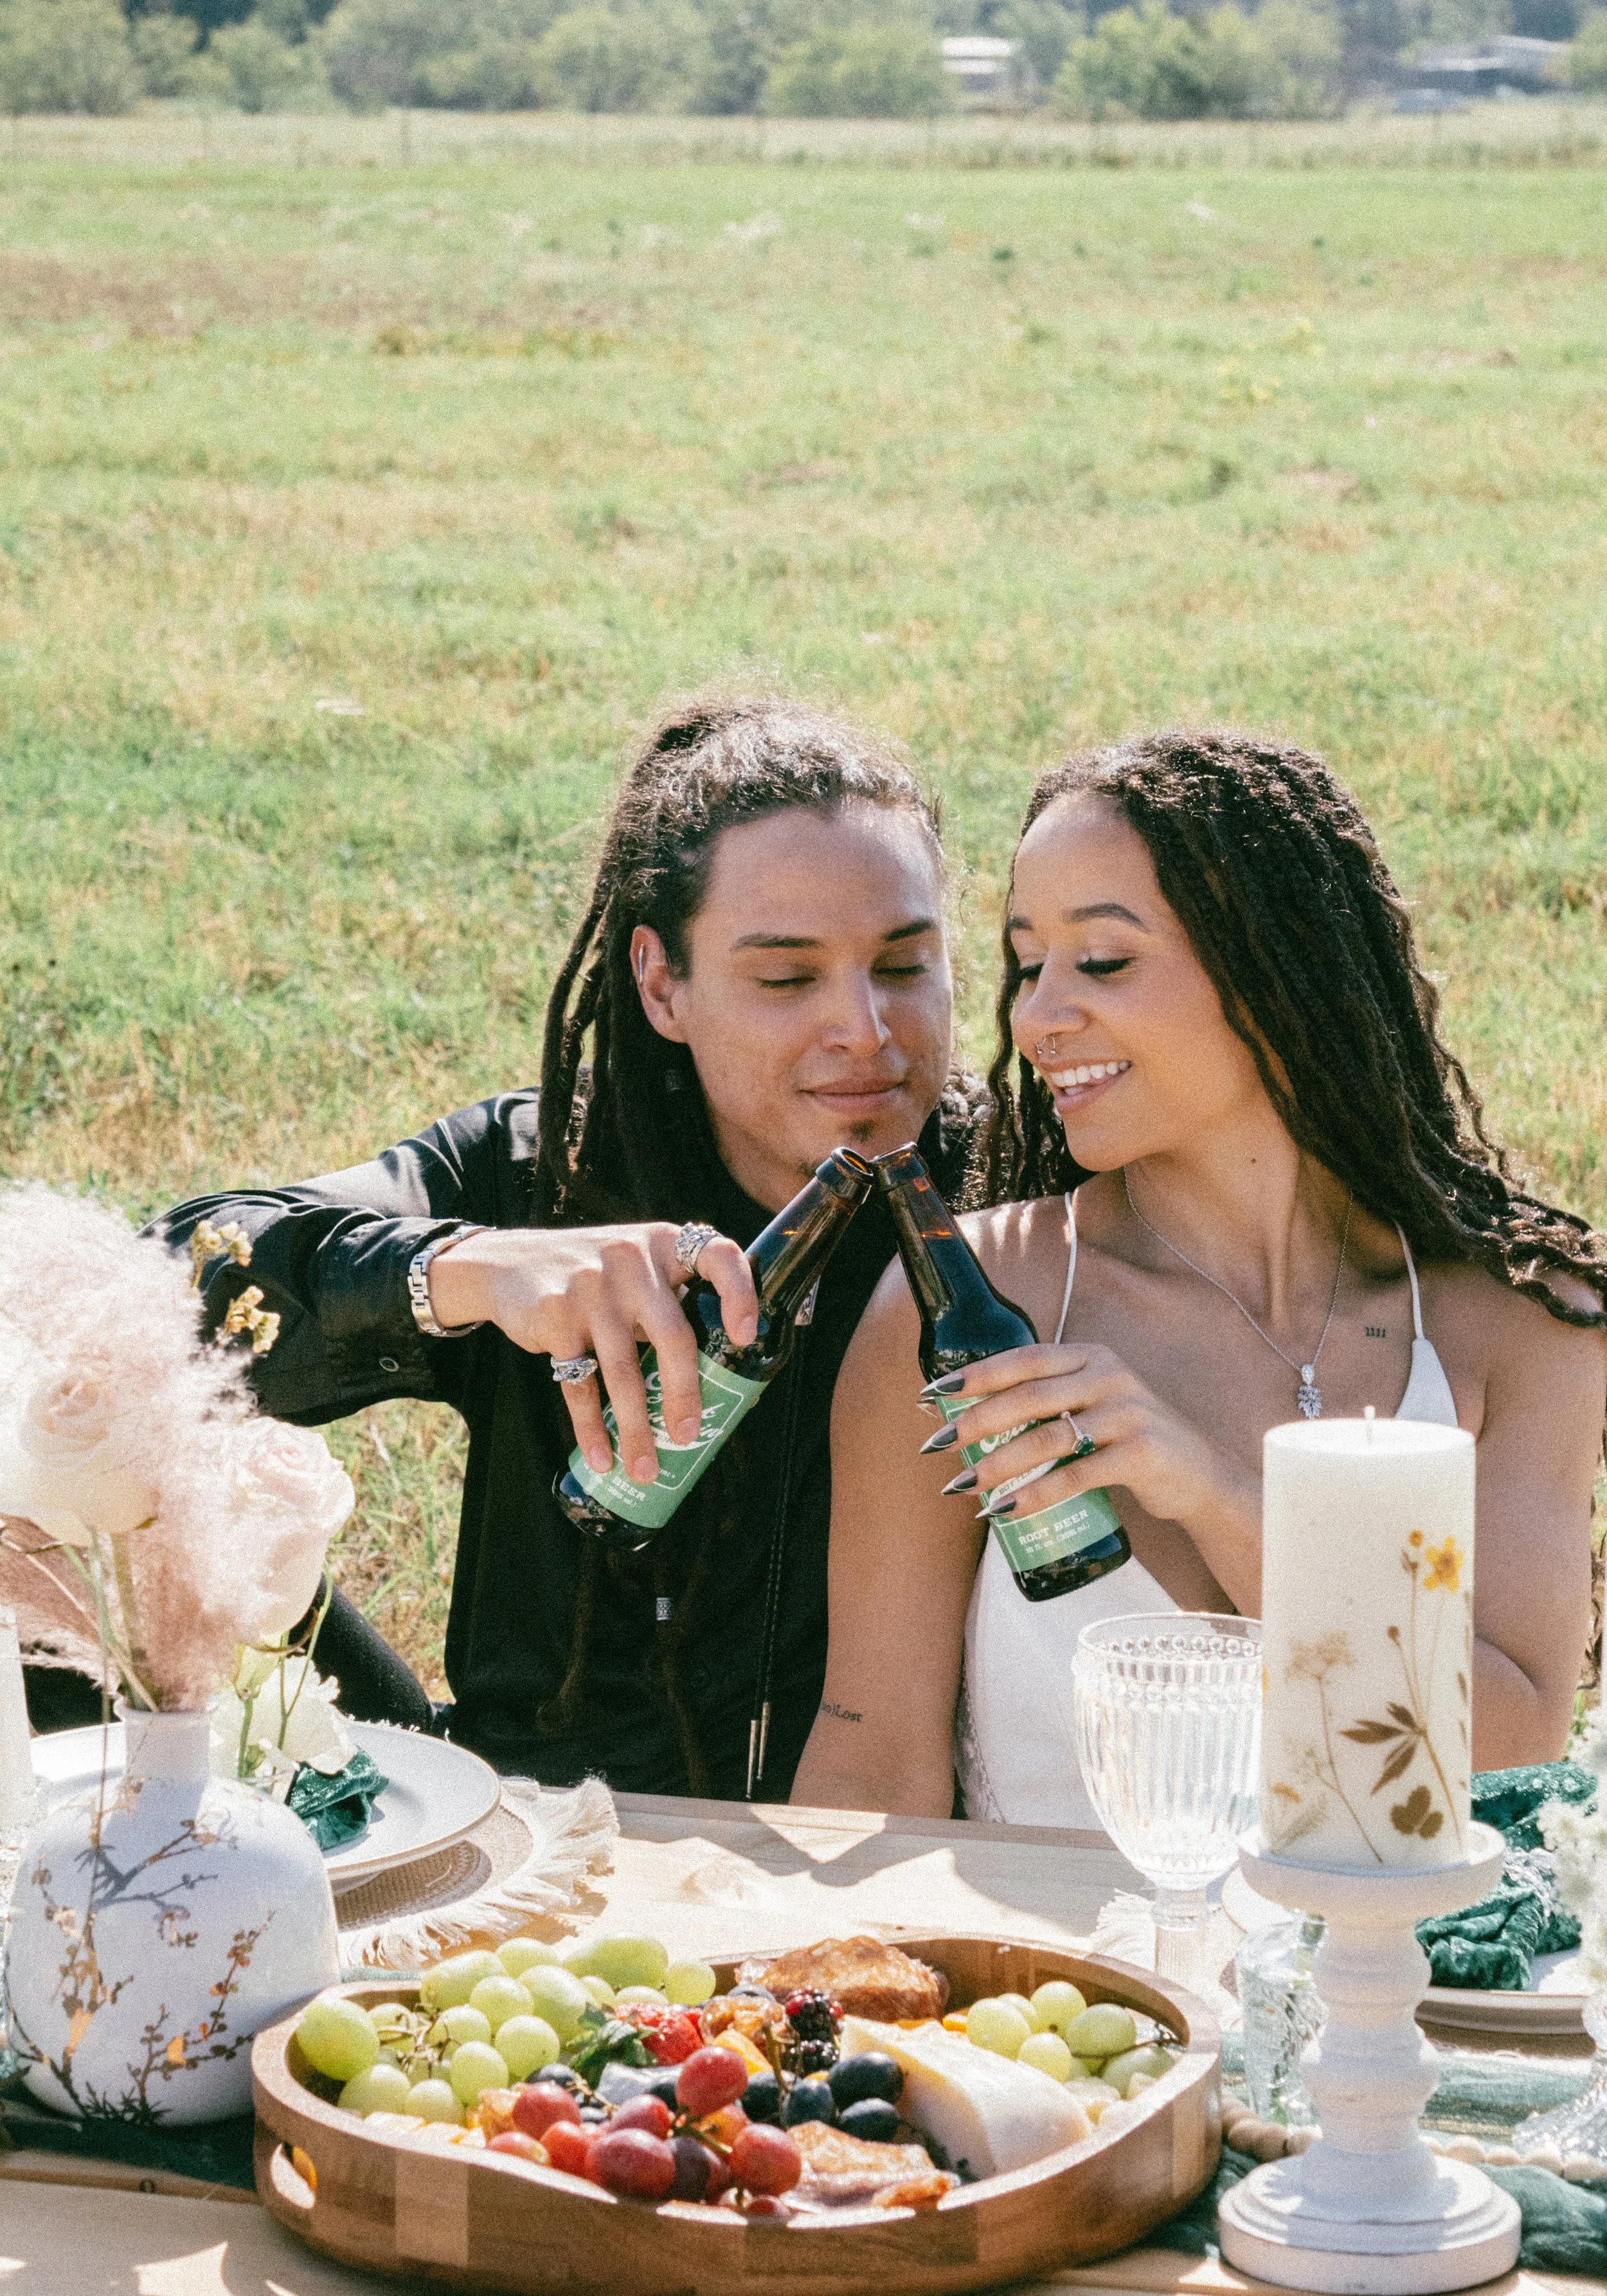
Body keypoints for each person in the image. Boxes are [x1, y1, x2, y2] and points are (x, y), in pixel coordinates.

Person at [147, 698, 978, 1800]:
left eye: (905, 965)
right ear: (660, 982)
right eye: (787, 978)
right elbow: (153, 1296)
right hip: (522, 1834)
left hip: (877, 1853)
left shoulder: (1017, 1194)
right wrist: (468, 1270)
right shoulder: (546, 1168)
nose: (866, 1031)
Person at [794, 732, 1607, 1826]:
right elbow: (873, 1768)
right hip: (1056, 1996)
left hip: (1377, 1988)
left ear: (1275, 967)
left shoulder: (1519, 1320)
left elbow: (1503, 1760)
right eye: (1030, 963)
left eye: (1106, 960)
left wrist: (1213, 1492)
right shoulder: (972, 1308)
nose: (1037, 1016)